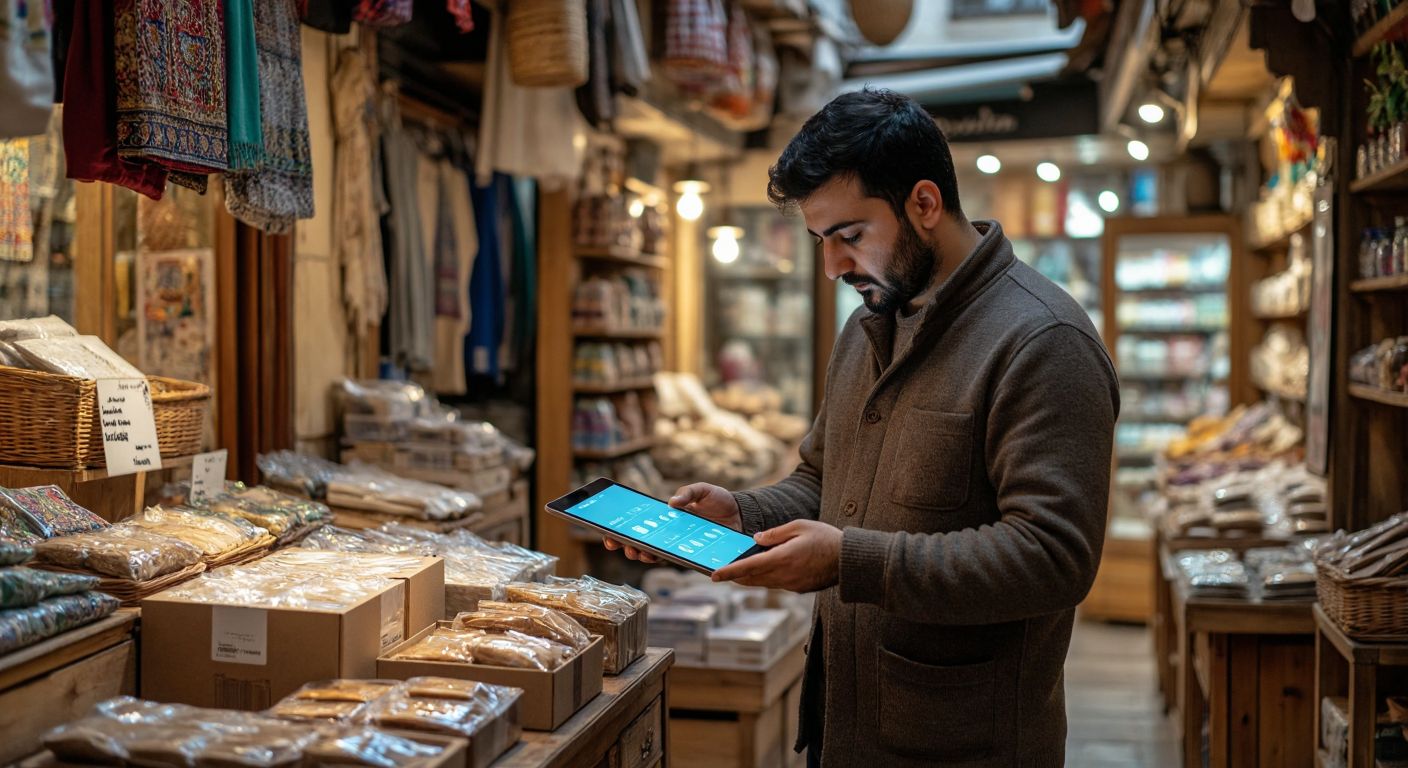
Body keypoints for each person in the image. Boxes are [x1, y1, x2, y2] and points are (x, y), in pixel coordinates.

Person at [603, 87, 1119, 767]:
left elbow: (1053, 557)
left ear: (925, 205)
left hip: (963, 744)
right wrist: (740, 513)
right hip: (844, 728)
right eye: (822, 241)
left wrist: (851, 561)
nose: (833, 267)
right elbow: (825, 479)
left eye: (850, 237)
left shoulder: (1043, 341)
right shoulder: (870, 324)